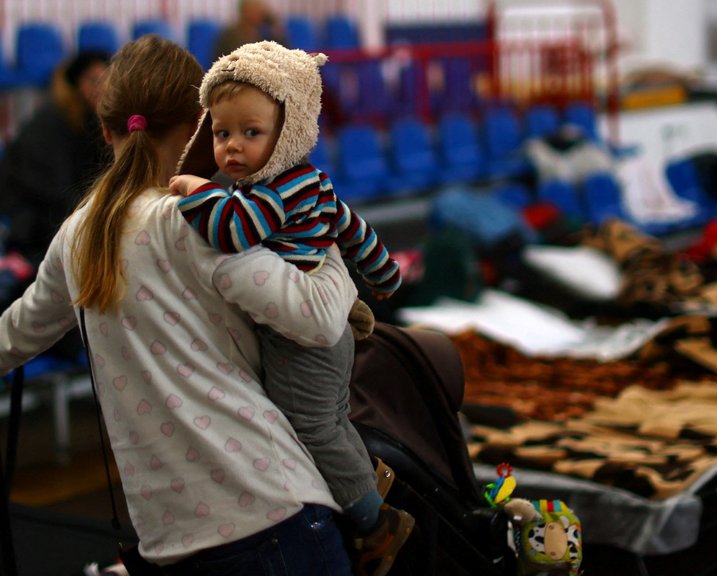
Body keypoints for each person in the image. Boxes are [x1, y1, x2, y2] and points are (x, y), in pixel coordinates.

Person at [0, 34, 370, 575]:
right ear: (200, 127)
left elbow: (13, 336)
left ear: (105, 130)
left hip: (170, 541)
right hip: (272, 514)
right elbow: (316, 321)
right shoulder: (198, 223)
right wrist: (328, 245)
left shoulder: (74, 237)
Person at [169, 40, 411, 576]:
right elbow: (355, 229)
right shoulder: (313, 181)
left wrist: (192, 190)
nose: (232, 147)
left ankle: (375, 522)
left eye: (251, 133)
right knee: (330, 421)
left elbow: (232, 231)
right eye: (221, 132)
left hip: (303, 341)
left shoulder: (272, 194)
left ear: (291, 130)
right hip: (321, 334)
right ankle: (364, 491)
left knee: (313, 428)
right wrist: (385, 275)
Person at [0, 50, 111, 267]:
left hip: (57, 214)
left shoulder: (87, 121)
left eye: (108, 80)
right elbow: (56, 192)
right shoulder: (51, 124)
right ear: (78, 85)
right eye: (94, 80)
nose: (102, 88)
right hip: (32, 224)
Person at [213, 0, 286, 58]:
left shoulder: (265, 35)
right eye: (255, 8)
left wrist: (274, 23)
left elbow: (284, 53)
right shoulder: (228, 36)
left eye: (260, 9)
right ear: (244, 11)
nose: (260, 12)